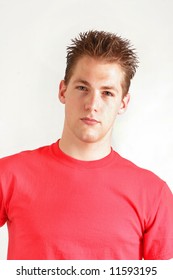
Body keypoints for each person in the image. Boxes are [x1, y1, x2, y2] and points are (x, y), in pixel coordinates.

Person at [0, 30, 173, 260]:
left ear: (123, 103)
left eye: (107, 93)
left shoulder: (153, 193)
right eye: (83, 88)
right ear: (63, 90)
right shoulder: (10, 175)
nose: (92, 104)